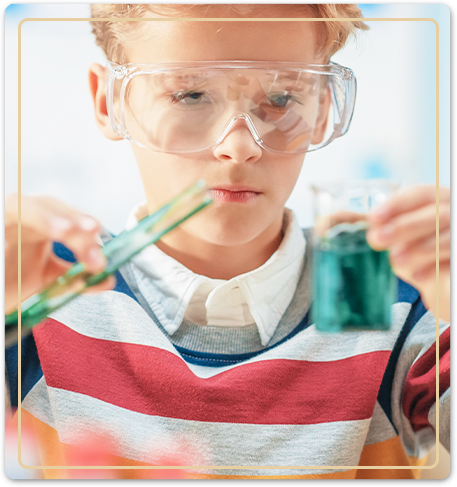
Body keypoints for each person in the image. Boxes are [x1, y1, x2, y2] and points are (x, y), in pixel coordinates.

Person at [4, 3, 450, 480]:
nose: (238, 147)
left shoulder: (397, 302)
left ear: (322, 109)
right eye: (191, 94)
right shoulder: (38, 298)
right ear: (108, 103)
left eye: (281, 98)